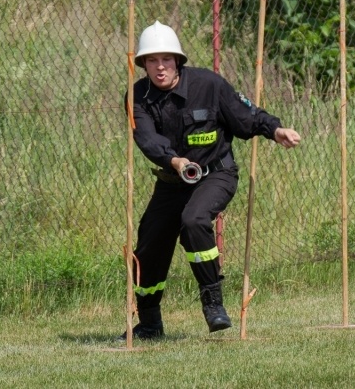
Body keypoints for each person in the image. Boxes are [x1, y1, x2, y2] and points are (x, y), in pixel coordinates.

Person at [121, 20, 301, 339]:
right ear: (143, 64)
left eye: (166, 59)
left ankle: (214, 306)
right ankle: (149, 323)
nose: (159, 67)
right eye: (151, 60)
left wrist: (275, 130)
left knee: (194, 221)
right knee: (148, 244)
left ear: (178, 60)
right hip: (171, 181)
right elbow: (146, 139)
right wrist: (175, 161)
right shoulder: (137, 95)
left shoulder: (209, 85)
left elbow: (246, 117)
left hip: (216, 174)